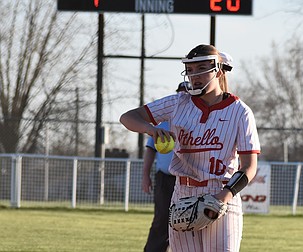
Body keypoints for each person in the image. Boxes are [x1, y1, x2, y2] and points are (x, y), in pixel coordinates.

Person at [120, 44, 260, 252]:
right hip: (182, 194)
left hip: (220, 193)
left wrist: (223, 197)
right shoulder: (178, 103)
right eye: (191, 70)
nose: (195, 75)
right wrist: (151, 129)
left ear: (218, 70)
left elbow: (249, 167)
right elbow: (128, 117)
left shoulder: (240, 111)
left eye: (202, 68)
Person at [142, 81, 189, 252]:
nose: (183, 96)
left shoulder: (197, 123)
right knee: (162, 218)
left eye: (187, 93)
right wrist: (145, 175)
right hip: (165, 178)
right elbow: (150, 149)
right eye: (180, 93)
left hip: (187, 180)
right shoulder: (164, 122)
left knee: (188, 219)